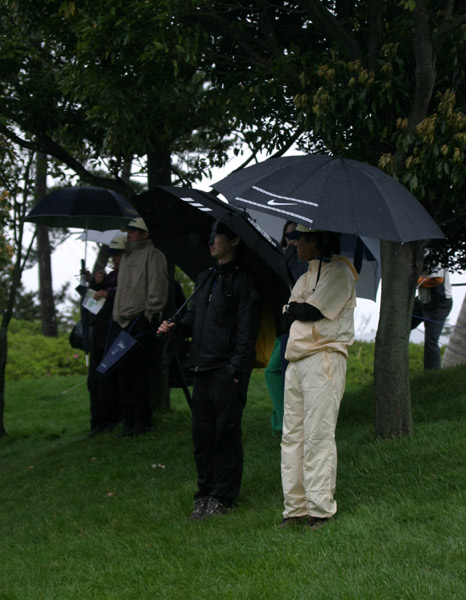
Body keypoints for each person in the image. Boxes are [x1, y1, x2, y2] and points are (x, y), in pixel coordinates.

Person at [158, 221, 262, 520]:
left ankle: (223, 498)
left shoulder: (245, 281)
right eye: (210, 235)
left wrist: (235, 371)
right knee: (202, 437)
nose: (210, 241)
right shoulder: (206, 278)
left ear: (235, 240)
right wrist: (174, 327)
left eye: (216, 235)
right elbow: (193, 319)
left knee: (225, 436)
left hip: (226, 373)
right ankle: (203, 494)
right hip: (201, 369)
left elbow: (247, 333)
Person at [279, 224, 358, 530]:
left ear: (316, 240)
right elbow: (288, 313)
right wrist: (295, 308)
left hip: (323, 358)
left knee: (318, 434)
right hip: (297, 359)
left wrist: (296, 308)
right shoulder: (305, 276)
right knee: (293, 436)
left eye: (300, 239)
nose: (295, 244)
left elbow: (310, 311)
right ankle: (295, 508)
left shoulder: (340, 273)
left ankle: (320, 510)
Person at [113, 217, 169, 437]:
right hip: (122, 322)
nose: (129, 234)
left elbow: (157, 288)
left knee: (139, 375)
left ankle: (143, 421)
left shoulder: (154, 255)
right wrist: (117, 316)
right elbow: (121, 291)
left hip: (141, 322)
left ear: (145, 234)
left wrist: (148, 315)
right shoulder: (125, 257)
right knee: (124, 374)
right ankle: (129, 421)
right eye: (128, 230)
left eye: (134, 231)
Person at [265, 221, 307, 433]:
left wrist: (288, 253)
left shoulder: (300, 259)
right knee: (275, 372)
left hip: (294, 324)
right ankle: (281, 420)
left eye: (295, 235)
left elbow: (296, 279)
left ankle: (285, 423)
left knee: (279, 372)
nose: (291, 238)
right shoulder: (278, 254)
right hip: (282, 323)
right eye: (288, 233)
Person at [86, 235, 126, 436]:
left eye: (118, 254)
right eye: (113, 254)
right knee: (94, 380)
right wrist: (95, 283)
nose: (115, 258)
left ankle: (112, 419)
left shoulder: (127, 274)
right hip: (99, 331)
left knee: (108, 378)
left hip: (116, 330)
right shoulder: (109, 276)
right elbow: (91, 303)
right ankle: (97, 422)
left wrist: (106, 293)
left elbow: (127, 293)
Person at [411, 266, 452, 369]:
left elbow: (437, 280)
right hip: (421, 301)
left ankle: (432, 374)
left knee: (431, 341)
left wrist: (413, 281)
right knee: (399, 327)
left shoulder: (434, 252)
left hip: (439, 304)